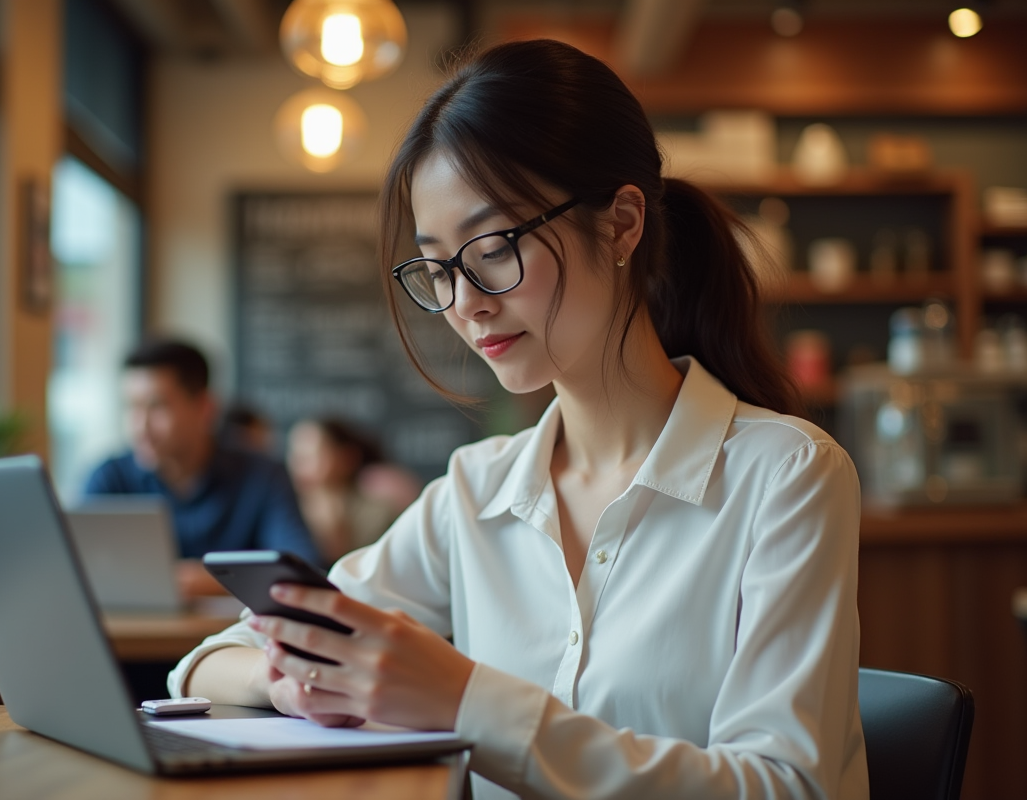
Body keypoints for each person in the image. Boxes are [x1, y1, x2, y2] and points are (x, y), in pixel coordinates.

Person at [168, 39, 867, 799]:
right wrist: (297, 682)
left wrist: (464, 698)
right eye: (438, 268)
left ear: (622, 223)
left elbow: (785, 787)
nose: (466, 303)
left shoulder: (787, 477)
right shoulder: (477, 490)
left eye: (493, 247)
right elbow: (210, 660)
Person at [86, 339, 322, 597]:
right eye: (131, 406)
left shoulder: (263, 476)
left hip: (237, 635)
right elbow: (78, 570)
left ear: (205, 408)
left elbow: (302, 568)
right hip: (137, 635)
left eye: (157, 406)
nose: (140, 427)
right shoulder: (109, 478)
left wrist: (202, 579)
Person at [285, 418, 403, 564]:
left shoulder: (379, 513)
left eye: (311, 454)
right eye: (295, 453)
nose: (299, 463)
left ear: (347, 457)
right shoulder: (283, 509)